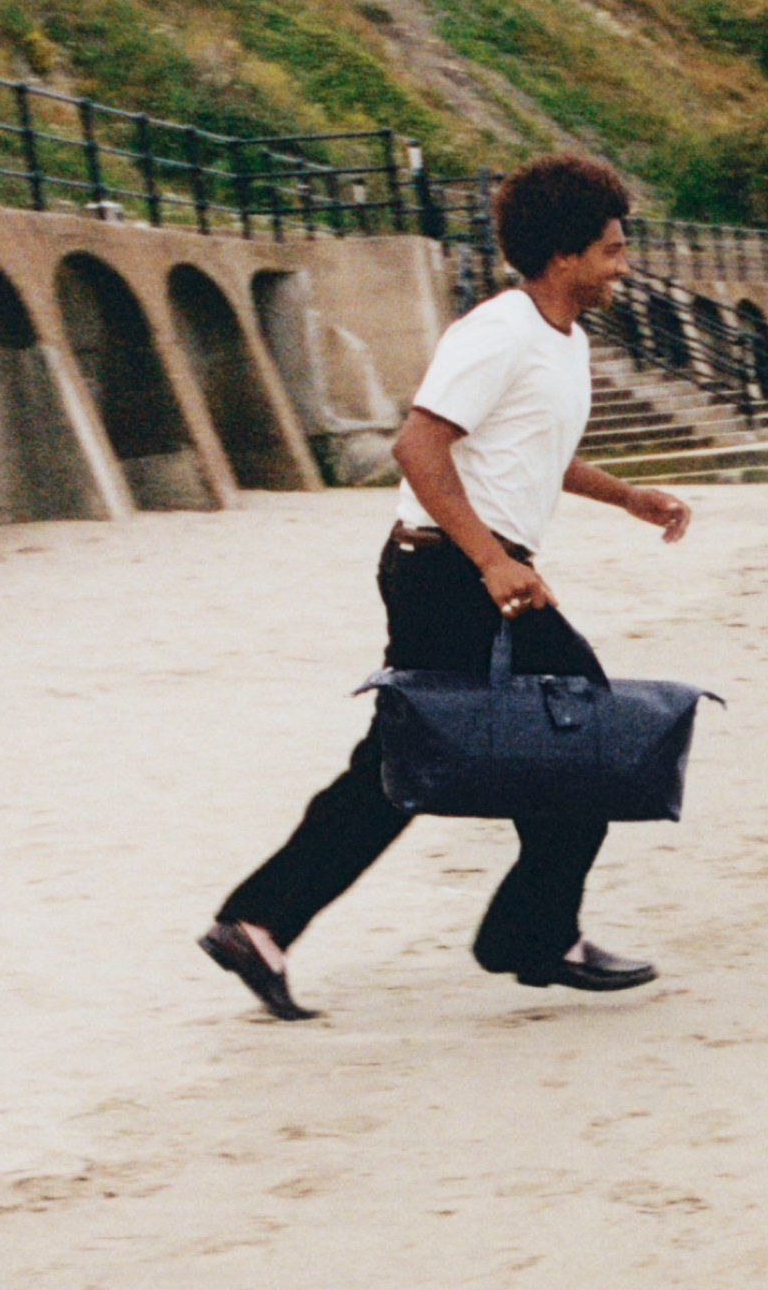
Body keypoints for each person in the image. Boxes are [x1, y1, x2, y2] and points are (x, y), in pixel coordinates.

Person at [199, 154, 691, 1021]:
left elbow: (529, 450)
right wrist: (493, 561)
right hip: (453, 572)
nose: (624, 265)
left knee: (405, 767)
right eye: (612, 251)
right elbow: (418, 448)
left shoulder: (560, 338)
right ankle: (529, 935)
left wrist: (628, 499)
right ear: (564, 255)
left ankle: (262, 921)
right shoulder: (497, 331)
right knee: (581, 734)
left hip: (464, 570)